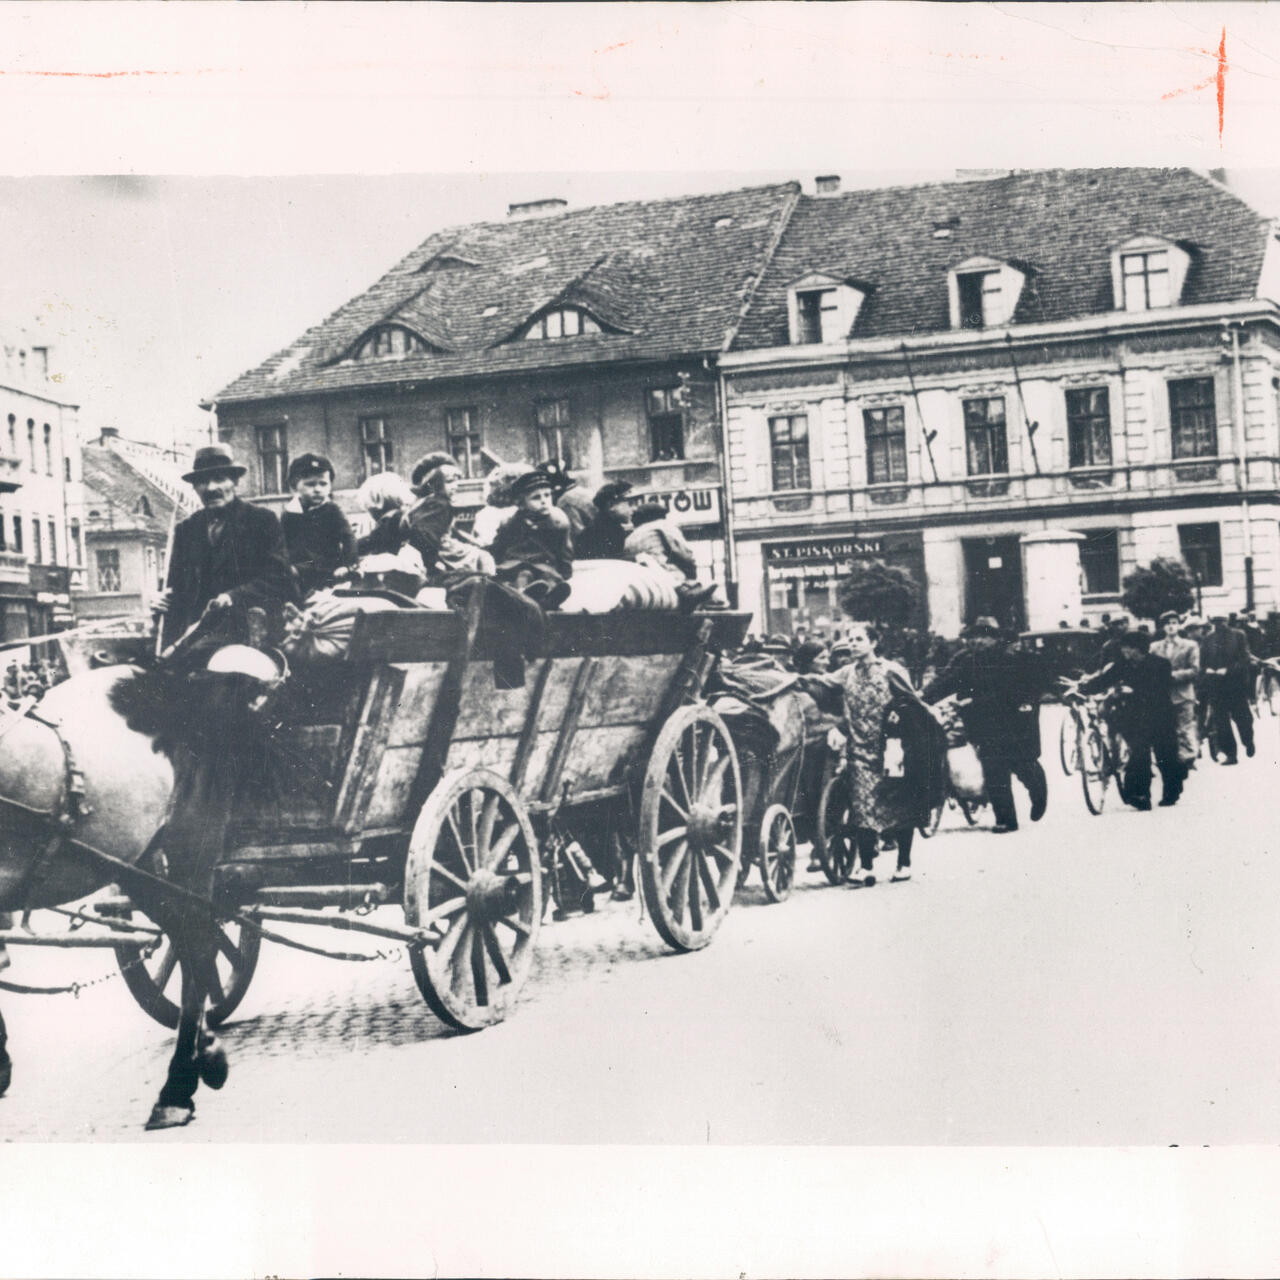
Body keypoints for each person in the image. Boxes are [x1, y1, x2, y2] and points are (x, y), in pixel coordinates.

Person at [799, 620, 945, 885]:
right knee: (862, 806)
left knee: (899, 803)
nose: (854, 645)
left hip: (893, 747)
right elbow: (820, 682)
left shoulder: (891, 671)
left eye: (859, 640)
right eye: (851, 640)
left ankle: (904, 862)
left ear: (874, 643)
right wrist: (795, 680)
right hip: (860, 749)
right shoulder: (846, 673)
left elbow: (912, 702)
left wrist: (928, 722)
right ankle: (866, 867)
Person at [153, 444, 296, 651]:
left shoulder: (261, 520)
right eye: (202, 481)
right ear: (194, 487)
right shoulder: (186, 529)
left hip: (250, 625)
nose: (211, 488)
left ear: (235, 481)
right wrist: (161, 601)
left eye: (219, 479)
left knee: (196, 656)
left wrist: (232, 596)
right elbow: (176, 587)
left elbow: (280, 578)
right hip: (196, 628)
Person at [923, 616, 1048, 834]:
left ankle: (1038, 788)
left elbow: (1018, 691)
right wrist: (922, 698)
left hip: (1013, 724)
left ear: (994, 639)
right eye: (973, 637)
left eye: (984, 636)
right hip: (983, 725)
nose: (977, 641)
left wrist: (976, 701)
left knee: (1022, 765)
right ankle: (1006, 820)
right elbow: (946, 681)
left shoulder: (1011, 659)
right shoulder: (965, 660)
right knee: (993, 769)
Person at [1077, 628, 1183, 808]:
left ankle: (1171, 792)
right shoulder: (1121, 665)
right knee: (1139, 754)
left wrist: (1133, 692)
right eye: (1123, 648)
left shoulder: (1160, 664)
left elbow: (1162, 688)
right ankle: (1140, 795)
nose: (1124, 652)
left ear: (1139, 649)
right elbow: (1103, 681)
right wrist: (1083, 689)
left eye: (1128, 648)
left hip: (1161, 715)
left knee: (1166, 756)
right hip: (1136, 717)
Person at [402, 452, 495, 584]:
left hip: (434, 547)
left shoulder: (423, 502)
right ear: (435, 483)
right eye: (450, 481)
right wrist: (434, 562)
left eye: (457, 480)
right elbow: (427, 533)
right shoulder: (440, 504)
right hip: (441, 551)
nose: (456, 485)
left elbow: (444, 530)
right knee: (484, 558)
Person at [491, 468, 574, 607]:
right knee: (523, 575)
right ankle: (522, 594)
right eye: (536, 497)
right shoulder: (510, 523)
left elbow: (565, 550)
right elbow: (499, 547)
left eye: (547, 495)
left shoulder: (558, 523)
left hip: (545, 565)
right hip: (516, 564)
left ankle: (549, 597)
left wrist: (565, 572)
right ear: (522, 504)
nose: (544, 501)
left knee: (550, 578)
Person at [280, 453, 357, 597]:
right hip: (299, 568)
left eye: (323, 484)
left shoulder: (332, 510)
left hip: (328, 568)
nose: (317, 489)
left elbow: (348, 537)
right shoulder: (289, 513)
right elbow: (281, 542)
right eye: (310, 484)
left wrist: (347, 565)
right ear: (294, 486)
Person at [624, 501, 718, 609]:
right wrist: (692, 573)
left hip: (640, 578)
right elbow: (685, 554)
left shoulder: (629, 537)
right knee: (711, 601)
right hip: (667, 574)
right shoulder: (663, 525)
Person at [1199, 613, 1255, 764]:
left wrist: (1228, 670)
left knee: (1243, 719)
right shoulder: (1208, 640)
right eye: (1216, 622)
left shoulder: (1238, 636)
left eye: (1222, 621)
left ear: (1227, 621)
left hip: (1236, 685)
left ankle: (1248, 741)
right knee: (1221, 721)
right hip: (1216, 686)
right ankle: (1231, 754)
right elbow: (1202, 662)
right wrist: (1207, 670)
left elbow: (1245, 658)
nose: (1219, 625)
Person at [1151, 609, 1200, 769]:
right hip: (1162, 695)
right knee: (1166, 729)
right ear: (1163, 627)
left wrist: (1173, 676)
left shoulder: (1190, 646)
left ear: (1179, 626)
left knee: (1184, 728)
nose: (1171, 627)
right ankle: (1172, 759)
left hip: (1183, 693)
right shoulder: (1155, 647)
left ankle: (1187, 758)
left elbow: (1195, 669)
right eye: (1167, 624)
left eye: (1174, 623)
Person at [574, 480, 635, 560]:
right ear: (610, 505)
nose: (634, 508)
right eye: (629, 504)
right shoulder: (601, 531)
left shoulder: (607, 526)